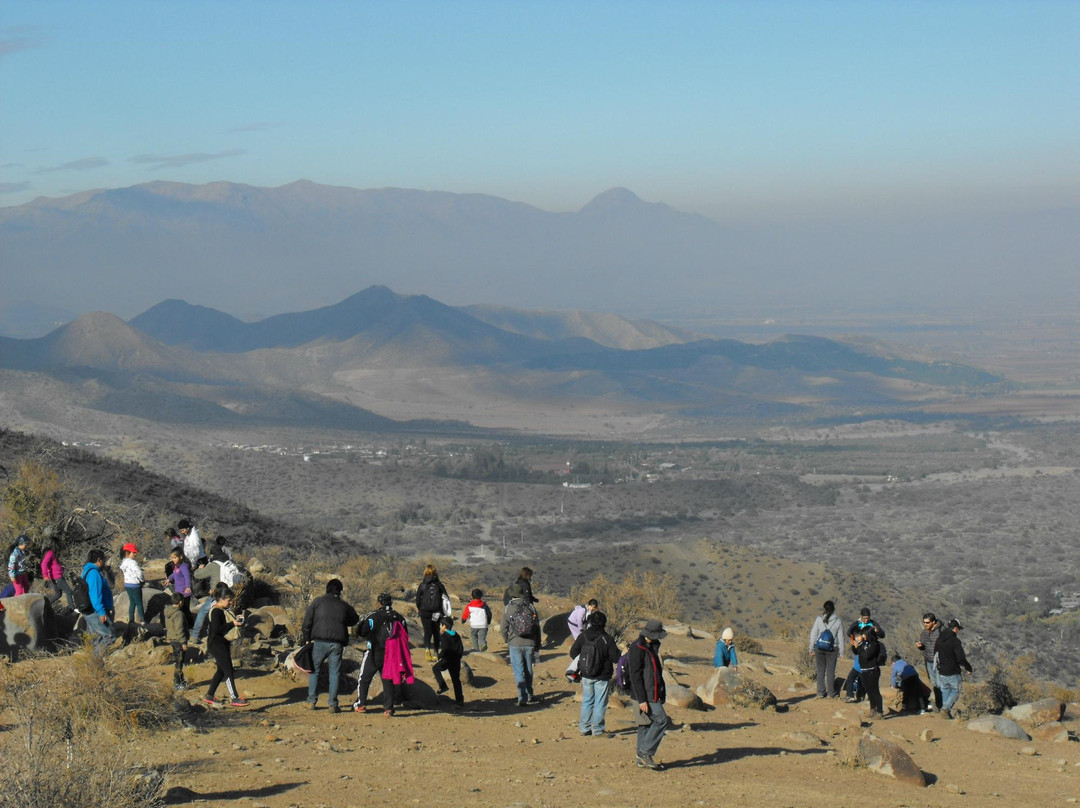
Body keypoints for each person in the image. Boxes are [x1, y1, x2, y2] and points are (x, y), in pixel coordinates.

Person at [301, 578, 360, 713]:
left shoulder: (317, 602)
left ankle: (311, 701)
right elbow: (354, 619)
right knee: (335, 673)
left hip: (319, 642)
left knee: (314, 671)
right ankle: (333, 704)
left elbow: (306, 622)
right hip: (337, 643)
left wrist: (306, 638)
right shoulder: (344, 605)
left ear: (327, 588)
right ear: (340, 591)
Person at [353, 593, 408, 716]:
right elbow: (405, 634)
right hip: (392, 653)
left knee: (364, 678)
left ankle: (361, 704)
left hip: (374, 650)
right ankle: (388, 708)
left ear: (379, 603)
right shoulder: (398, 617)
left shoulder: (373, 616)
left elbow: (362, 631)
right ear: (391, 603)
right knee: (387, 679)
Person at [569, 610, 621, 737]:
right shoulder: (606, 639)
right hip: (602, 676)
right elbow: (616, 658)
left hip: (586, 674)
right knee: (600, 702)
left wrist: (583, 663)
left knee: (587, 701)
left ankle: (584, 728)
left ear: (591, 622)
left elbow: (573, 652)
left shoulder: (583, 636)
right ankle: (597, 730)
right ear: (604, 623)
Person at [628, 619, 669, 771]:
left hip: (652, 692)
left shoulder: (651, 646)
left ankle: (640, 758)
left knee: (645, 724)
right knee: (661, 720)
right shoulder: (637, 648)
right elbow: (635, 676)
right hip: (644, 694)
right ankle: (646, 752)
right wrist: (642, 700)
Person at [202, 582, 249, 707]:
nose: (230, 602)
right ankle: (234, 697)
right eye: (228, 600)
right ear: (221, 600)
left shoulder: (221, 610)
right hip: (216, 644)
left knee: (221, 671)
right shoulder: (217, 612)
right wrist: (232, 624)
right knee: (228, 670)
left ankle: (209, 695)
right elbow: (218, 629)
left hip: (220, 644)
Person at [500, 583, 541, 707]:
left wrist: (507, 639)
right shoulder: (530, 607)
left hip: (514, 643)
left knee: (518, 670)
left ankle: (522, 697)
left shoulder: (508, 608)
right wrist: (537, 644)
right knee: (529, 669)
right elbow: (537, 627)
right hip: (529, 643)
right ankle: (529, 695)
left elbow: (503, 628)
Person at [934, 618, 973, 719]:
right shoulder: (955, 641)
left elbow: (935, 654)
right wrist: (969, 668)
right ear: (955, 628)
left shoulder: (939, 639)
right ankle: (945, 709)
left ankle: (945, 713)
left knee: (945, 691)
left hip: (942, 671)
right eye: (958, 629)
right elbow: (961, 658)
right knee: (956, 690)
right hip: (953, 671)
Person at [81, 549, 117, 656]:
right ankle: (96, 661)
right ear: (99, 560)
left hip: (90, 610)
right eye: (104, 560)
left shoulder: (86, 571)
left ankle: (93, 663)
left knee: (94, 638)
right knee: (109, 636)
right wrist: (101, 612)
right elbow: (95, 595)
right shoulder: (94, 574)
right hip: (96, 611)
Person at [808, 600, 844, 698]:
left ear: (824, 608)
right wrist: (841, 652)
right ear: (833, 609)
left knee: (820, 670)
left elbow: (813, 633)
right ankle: (831, 693)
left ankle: (820, 692)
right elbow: (841, 637)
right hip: (832, 648)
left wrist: (811, 648)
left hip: (819, 647)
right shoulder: (838, 621)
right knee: (830, 671)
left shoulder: (819, 619)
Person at [191, 552, 229, 640]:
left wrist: (199, 569)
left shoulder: (214, 566)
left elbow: (198, 575)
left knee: (203, 611)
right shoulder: (230, 565)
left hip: (218, 594)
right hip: (230, 594)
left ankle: (195, 636)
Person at [415, 564, 449, 662]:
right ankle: (436, 653)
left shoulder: (423, 585)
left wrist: (419, 608)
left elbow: (418, 599)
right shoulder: (439, 585)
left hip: (425, 612)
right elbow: (446, 598)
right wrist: (444, 612)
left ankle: (427, 650)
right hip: (437, 613)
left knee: (427, 631)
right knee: (436, 633)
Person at [432, 616, 465, 709]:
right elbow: (461, 648)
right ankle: (460, 700)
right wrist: (459, 656)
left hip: (448, 659)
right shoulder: (456, 634)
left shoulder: (444, 636)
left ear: (444, 626)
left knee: (435, 668)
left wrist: (439, 656)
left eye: (441, 625)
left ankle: (443, 686)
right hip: (456, 660)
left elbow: (445, 648)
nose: (440, 627)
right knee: (456, 680)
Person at [853, 625, 883, 719]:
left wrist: (858, 647)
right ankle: (872, 709)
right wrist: (855, 646)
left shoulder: (874, 644)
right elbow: (858, 653)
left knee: (875, 691)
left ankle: (880, 711)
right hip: (864, 670)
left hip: (872, 671)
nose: (862, 636)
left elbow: (867, 656)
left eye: (864, 634)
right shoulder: (864, 643)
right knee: (869, 691)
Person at [916, 612, 944, 711]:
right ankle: (938, 704)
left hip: (939, 661)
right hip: (928, 661)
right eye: (924, 622)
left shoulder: (941, 631)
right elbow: (923, 646)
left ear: (933, 622)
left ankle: (943, 705)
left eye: (927, 623)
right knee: (934, 683)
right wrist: (920, 647)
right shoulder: (924, 633)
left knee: (939, 683)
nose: (925, 624)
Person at [119, 542, 147, 642]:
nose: (135, 554)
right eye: (133, 552)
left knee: (132, 602)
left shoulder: (123, 562)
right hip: (135, 585)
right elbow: (139, 573)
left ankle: (131, 620)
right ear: (128, 552)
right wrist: (142, 580)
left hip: (127, 585)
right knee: (139, 603)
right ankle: (143, 621)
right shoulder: (132, 562)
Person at [164, 591, 190, 691]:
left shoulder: (168, 611)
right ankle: (177, 683)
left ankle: (181, 680)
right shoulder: (178, 614)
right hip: (179, 640)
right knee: (179, 662)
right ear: (180, 602)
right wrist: (183, 642)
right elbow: (180, 629)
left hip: (172, 639)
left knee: (178, 660)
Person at [41, 540, 74, 610]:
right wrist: (45, 575)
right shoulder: (51, 553)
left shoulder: (52, 553)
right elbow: (44, 563)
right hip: (57, 577)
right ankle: (72, 608)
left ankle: (44, 605)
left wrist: (60, 566)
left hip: (55, 577)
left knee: (58, 594)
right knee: (69, 592)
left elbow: (52, 564)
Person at [167, 548, 193, 623]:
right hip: (178, 592)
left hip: (185, 592)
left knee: (185, 609)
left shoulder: (184, 566)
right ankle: (182, 623)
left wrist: (188, 587)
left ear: (180, 557)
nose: (173, 560)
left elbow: (187, 577)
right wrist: (169, 579)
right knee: (180, 609)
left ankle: (190, 624)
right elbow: (174, 574)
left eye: (175, 558)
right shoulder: (176, 566)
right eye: (172, 558)